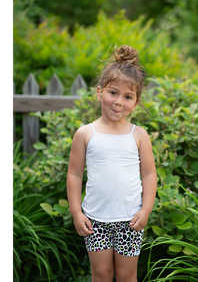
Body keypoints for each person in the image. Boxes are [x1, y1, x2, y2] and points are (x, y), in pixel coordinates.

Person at [67, 45, 157, 282]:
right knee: (102, 274)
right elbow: (75, 175)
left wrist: (146, 210)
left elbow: (148, 174)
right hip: (94, 220)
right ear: (99, 92)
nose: (119, 102)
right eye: (113, 93)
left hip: (130, 219)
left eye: (128, 97)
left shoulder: (138, 135)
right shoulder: (86, 133)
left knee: (127, 276)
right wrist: (76, 212)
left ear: (136, 103)